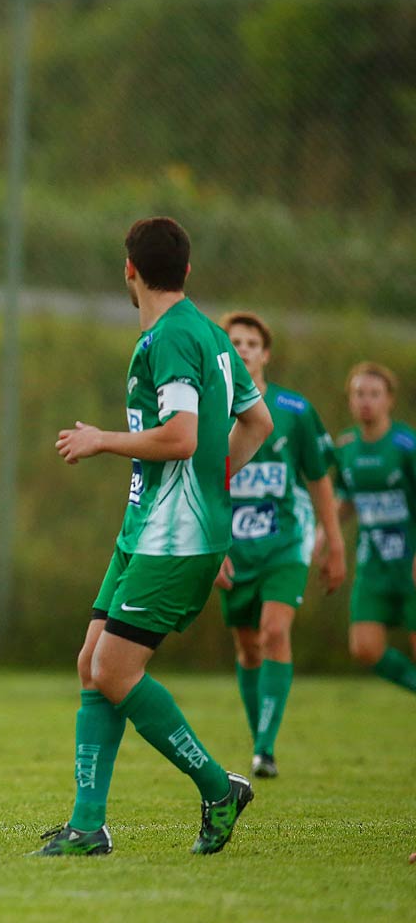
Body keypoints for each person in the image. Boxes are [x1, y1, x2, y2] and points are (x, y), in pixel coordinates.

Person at [36, 217, 273, 857]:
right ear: (187, 271)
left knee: (115, 670)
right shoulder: (212, 336)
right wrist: (214, 482)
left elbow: (182, 436)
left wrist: (101, 440)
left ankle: (217, 789)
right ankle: (87, 828)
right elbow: (257, 420)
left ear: (129, 271)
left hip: (175, 536)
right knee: (93, 664)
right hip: (147, 527)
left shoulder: (170, 338)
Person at [213, 312, 346, 779]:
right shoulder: (209, 408)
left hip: (286, 544)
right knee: (248, 647)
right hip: (233, 550)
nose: (244, 348)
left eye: (252, 342)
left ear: (266, 354)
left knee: (273, 631)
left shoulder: (294, 408)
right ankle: (259, 742)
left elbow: (318, 480)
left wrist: (334, 543)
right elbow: (202, 486)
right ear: (225, 351)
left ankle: (265, 750)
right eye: (235, 341)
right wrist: (211, 549)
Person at [332, 362, 416, 696]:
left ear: (389, 400)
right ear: (350, 400)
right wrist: (323, 534)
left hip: (409, 562)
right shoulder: (346, 446)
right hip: (372, 566)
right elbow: (345, 499)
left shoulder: (406, 444)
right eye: (359, 393)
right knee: (364, 647)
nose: (366, 400)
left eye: (374, 394)